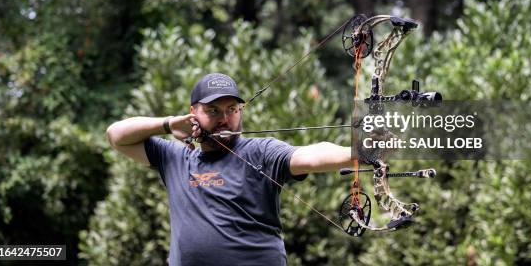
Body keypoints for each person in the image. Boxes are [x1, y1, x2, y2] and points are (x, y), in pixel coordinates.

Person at [106, 73, 353, 266]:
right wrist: (169, 124)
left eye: (232, 109)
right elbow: (116, 135)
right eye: (213, 110)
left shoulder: (261, 152)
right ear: (193, 113)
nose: (224, 118)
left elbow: (309, 155)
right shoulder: (173, 157)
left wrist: (360, 152)